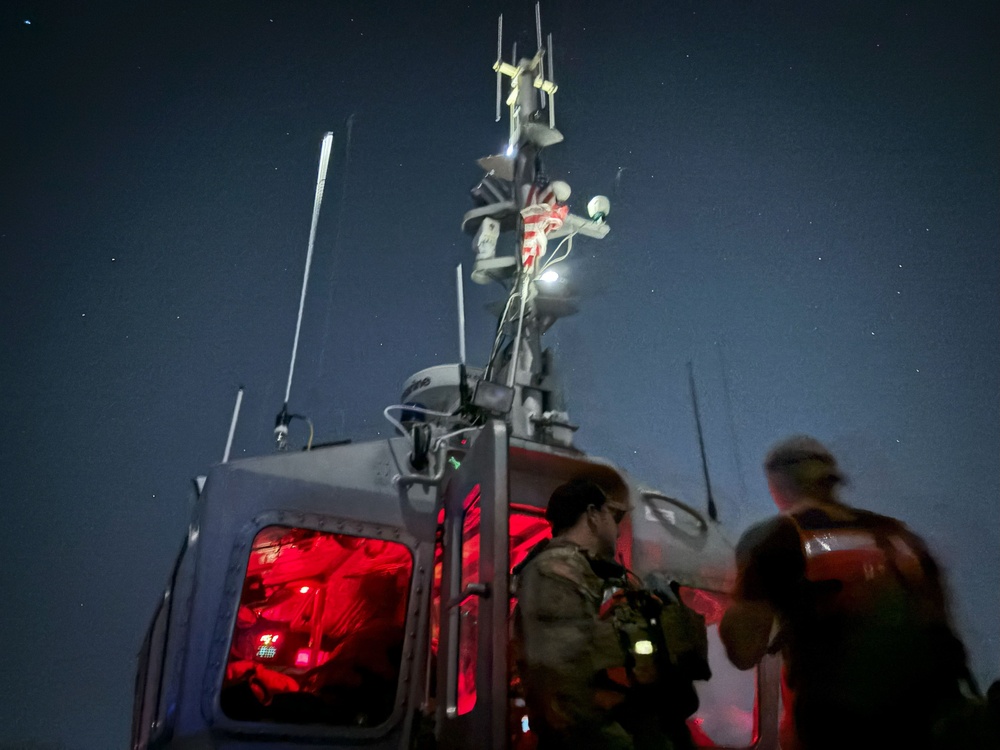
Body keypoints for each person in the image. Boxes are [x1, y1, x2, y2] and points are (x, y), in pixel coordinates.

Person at [720, 435, 973, 750]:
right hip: (932, 723)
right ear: (832, 480)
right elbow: (939, 623)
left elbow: (744, 650)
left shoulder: (776, 538)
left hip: (839, 728)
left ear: (777, 485)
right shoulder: (899, 536)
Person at [512, 478, 703, 750]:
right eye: (612, 518)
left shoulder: (595, 576)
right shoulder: (553, 573)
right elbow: (563, 693)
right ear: (592, 516)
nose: (617, 529)